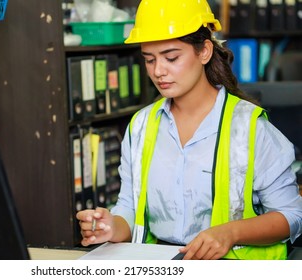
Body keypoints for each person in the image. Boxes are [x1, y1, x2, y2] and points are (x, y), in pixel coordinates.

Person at [76, 0, 302, 260]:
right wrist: (112, 226)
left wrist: (231, 232)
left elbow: (292, 216)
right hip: (163, 263)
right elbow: (130, 207)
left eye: (171, 58)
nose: (159, 71)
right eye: (149, 60)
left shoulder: (248, 127)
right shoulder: (140, 126)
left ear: (204, 52)